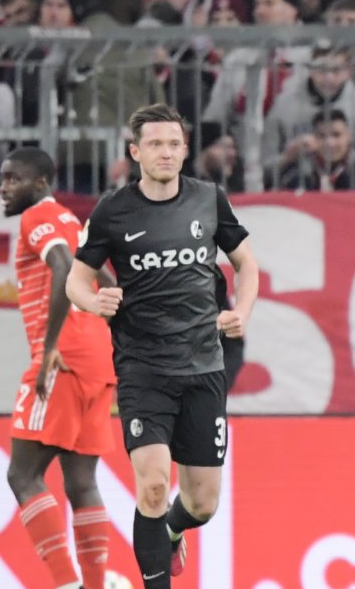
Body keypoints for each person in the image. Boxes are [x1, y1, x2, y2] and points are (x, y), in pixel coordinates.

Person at [67, 103, 259, 589]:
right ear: (135, 152)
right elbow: (75, 281)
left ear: (185, 149)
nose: (166, 153)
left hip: (203, 367)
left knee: (202, 503)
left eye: (174, 144)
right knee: (152, 486)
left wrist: (242, 311)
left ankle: (172, 531)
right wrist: (94, 301)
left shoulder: (208, 199)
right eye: (155, 144)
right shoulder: (113, 210)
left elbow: (247, 263)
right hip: (143, 369)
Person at [0, 148, 116, 589]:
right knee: (81, 482)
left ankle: (67, 584)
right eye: (3, 179)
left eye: (13, 179)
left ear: (41, 182)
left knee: (23, 474)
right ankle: (95, 584)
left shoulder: (38, 217)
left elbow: (64, 266)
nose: (4, 188)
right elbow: (105, 279)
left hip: (62, 357)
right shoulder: (71, 220)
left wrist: (49, 348)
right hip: (96, 358)